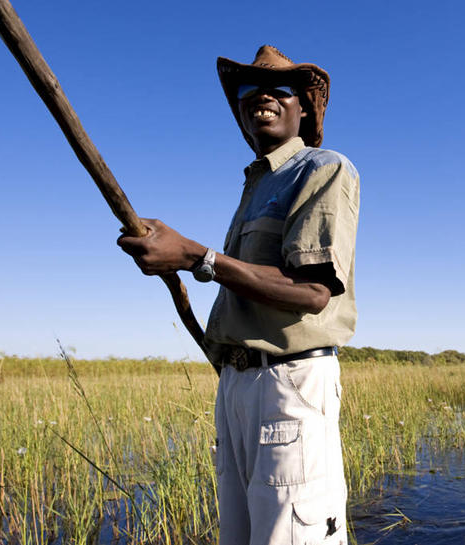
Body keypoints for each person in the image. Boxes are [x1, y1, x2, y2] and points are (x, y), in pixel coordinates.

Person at [117, 45, 358, 545]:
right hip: (236, 386)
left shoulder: (323, 168)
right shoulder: (256, 187)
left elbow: (313, 292)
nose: (262, 96)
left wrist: (194, 256)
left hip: (289, 384)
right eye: (250, 88)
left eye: (279, 89)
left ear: (303, 108)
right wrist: (178, 262)